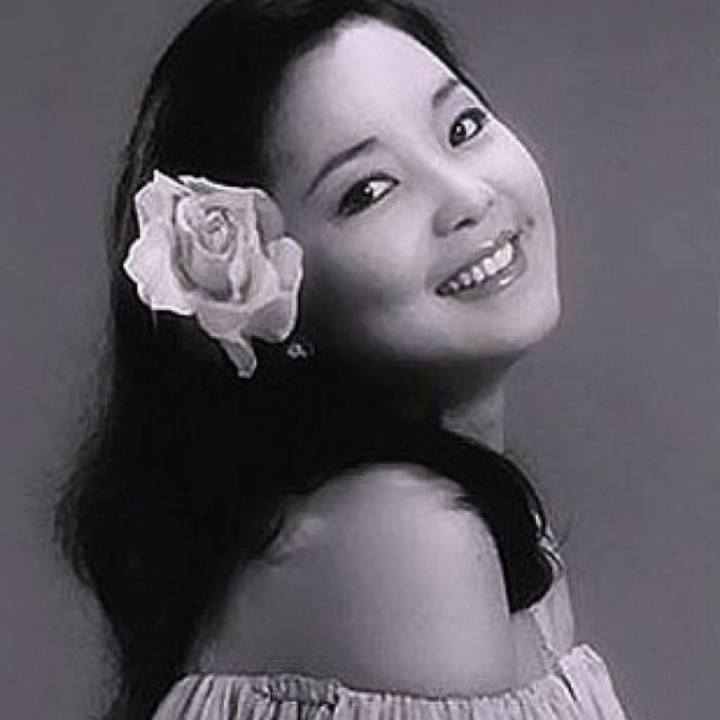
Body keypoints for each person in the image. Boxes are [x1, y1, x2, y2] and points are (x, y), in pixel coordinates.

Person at [57, 1, 630, 719]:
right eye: (368, 191)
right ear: (268, 298)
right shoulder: (404, 534)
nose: (467, 197)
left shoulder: (456, 515)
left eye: (462, 127)